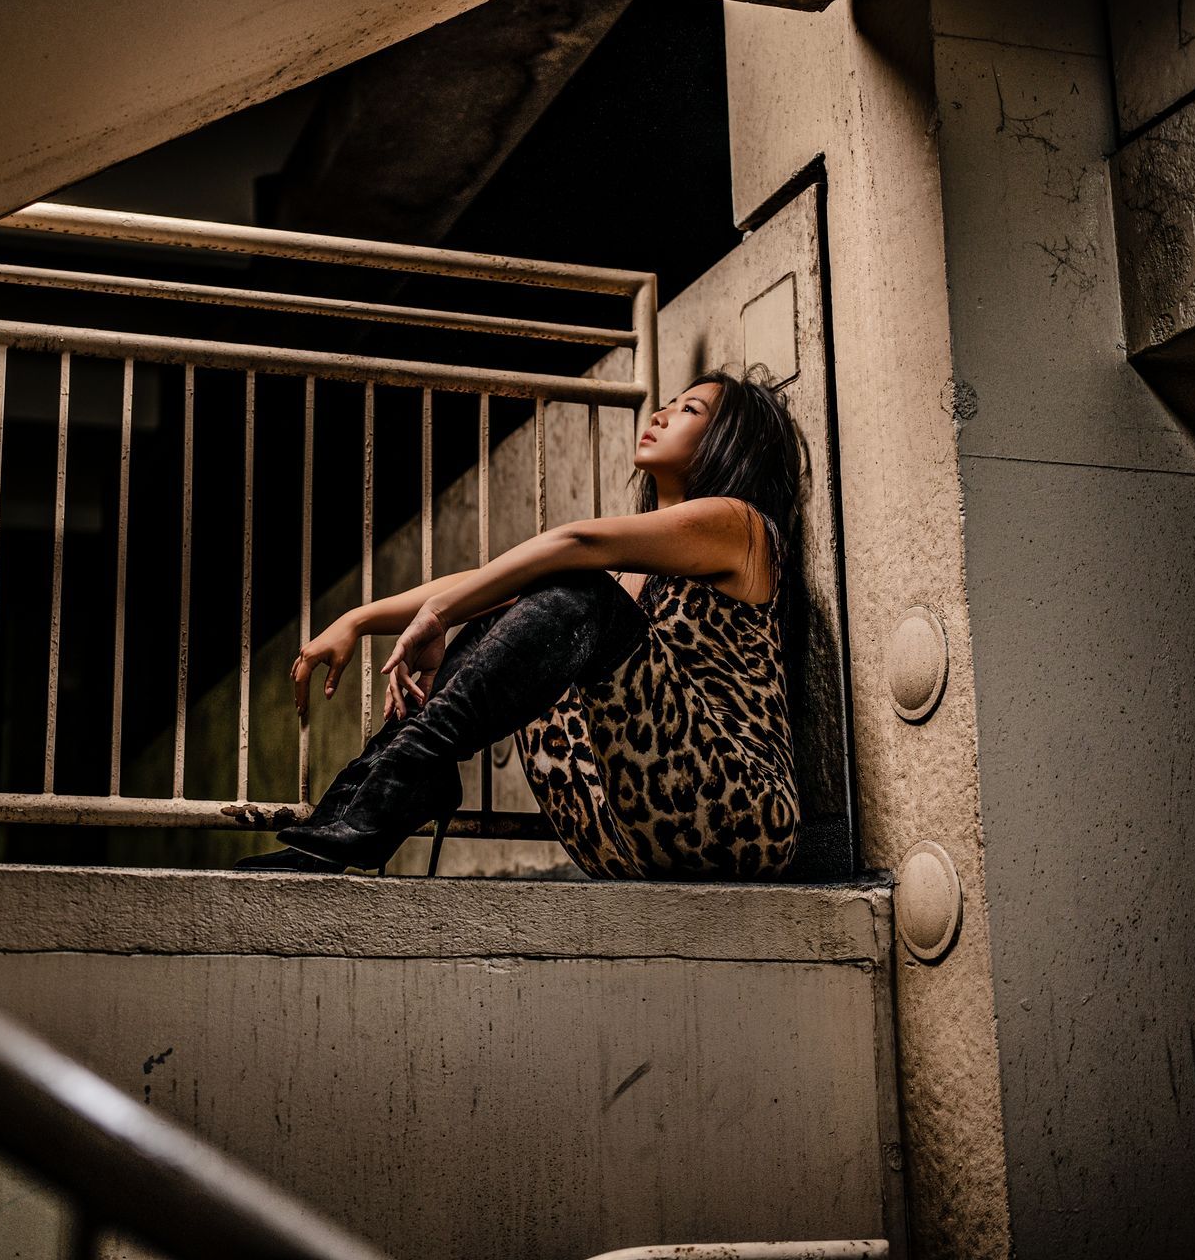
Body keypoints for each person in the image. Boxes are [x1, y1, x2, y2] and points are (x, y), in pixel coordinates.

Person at [236, 365, 808, 880]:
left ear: (730, 444)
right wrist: (359, 621)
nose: (660, 413)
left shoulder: (743, 527)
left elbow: (574, 543)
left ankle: (402, 783)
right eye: (672, 402)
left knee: (565, 587)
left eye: (690, 410)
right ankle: (364, 802)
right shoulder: (629, 579)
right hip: (619, 836)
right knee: (526, 597)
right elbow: (491, 578)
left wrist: (439, 615)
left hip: (740, 816)